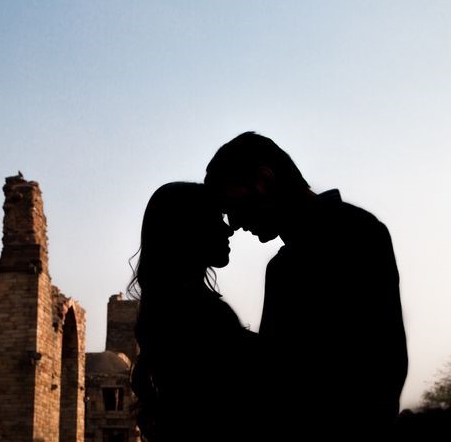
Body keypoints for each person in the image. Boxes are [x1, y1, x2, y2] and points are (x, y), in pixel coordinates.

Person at [204, 132, 408, 436]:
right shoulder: (353, 234)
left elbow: (383, 366)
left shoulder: (357, 236)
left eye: (233, 207)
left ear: (264, 179)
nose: (233, 223)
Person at [128, 182, 257, 441]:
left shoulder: (169, 309)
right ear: (186, 230)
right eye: (215, 219)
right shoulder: (198, 315)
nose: (228, 228)